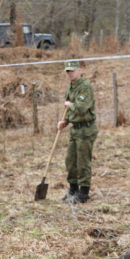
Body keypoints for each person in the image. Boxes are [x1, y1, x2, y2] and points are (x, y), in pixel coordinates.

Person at [57, 60, 98, 204]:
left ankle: (84, 192)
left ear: (79, 70)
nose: (70, 73)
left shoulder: (85, 87)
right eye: (67, 71)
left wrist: (69, 104)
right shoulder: (71, 87)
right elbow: (70, 110)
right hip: (75, 129)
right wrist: (65, 122)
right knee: (70, 160)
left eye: (72, 70)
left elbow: (80, 108)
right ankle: (73, 190)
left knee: (83, 161)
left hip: (86, 129)